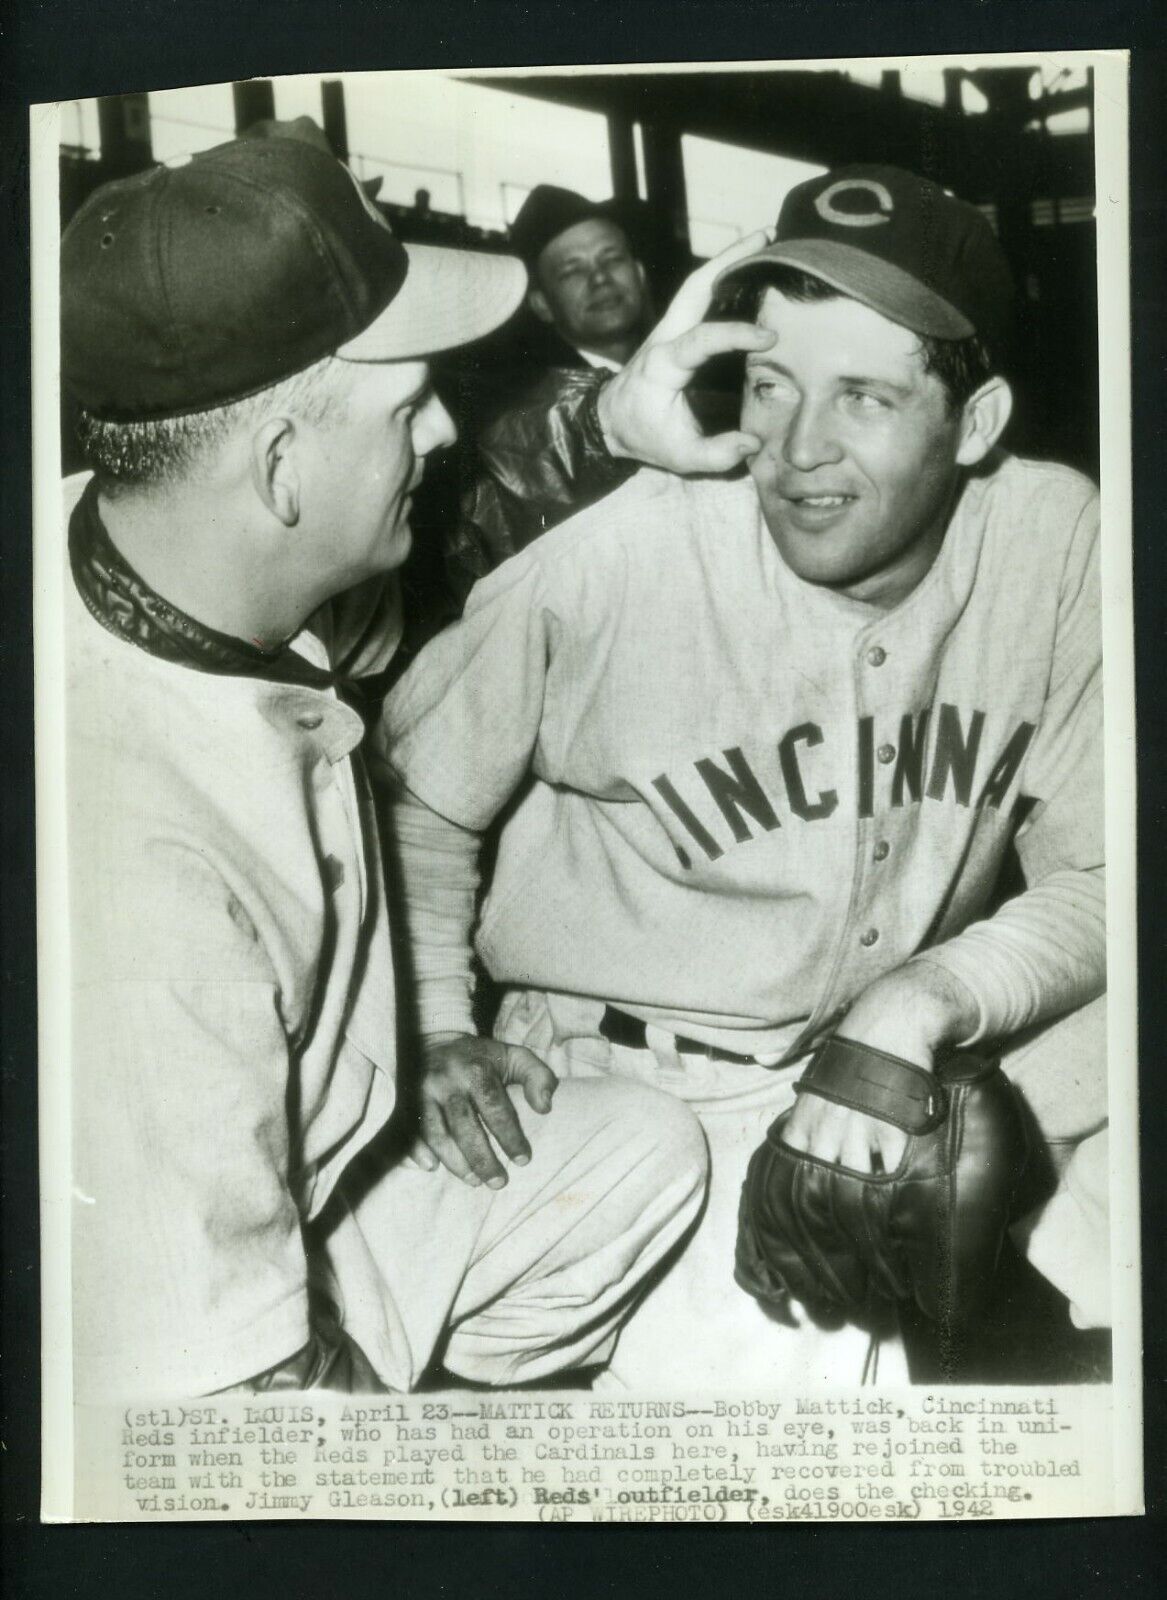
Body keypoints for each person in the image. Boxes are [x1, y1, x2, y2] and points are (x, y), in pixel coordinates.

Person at [379, 164, 1107, 1388]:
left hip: (863, 1054)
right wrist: (436, 1027)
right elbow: (415, 804)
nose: (796, 448)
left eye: (863, 396)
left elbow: (1103, 868)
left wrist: (915, 1002)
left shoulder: (1050, 535)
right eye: (771, 384)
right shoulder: (621, 557)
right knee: (789, 1478)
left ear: (974, 426)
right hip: (615, 1084)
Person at [60, 128, 714, 1400]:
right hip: (146, 1323)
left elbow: (462, 570)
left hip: (294, 1157)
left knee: (636, 1147)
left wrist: (617, 434)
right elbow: (240, 1401)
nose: (447, 428)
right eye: (410, 405)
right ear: (282, 468)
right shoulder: (130, 862)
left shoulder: (192, 534)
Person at [446, 185, 654, 598]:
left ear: (641, 274)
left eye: (612, 258)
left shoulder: (708, 388)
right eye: (572, 270)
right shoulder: (522, 419)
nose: (599, 278)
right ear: (541, 304)